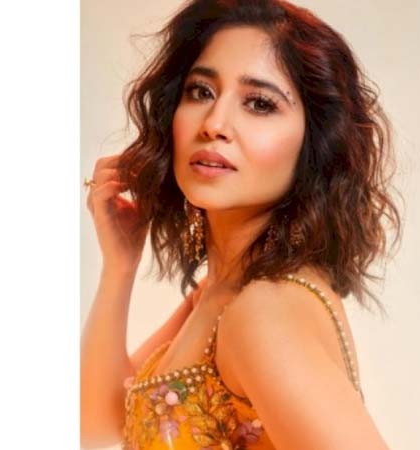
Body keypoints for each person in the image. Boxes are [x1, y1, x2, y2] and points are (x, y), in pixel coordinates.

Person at [81, 0, 400, 449]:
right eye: (200, 92)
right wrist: (119, 267)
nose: (214, 124)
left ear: (315, 142)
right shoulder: (217, 292)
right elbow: (96, 427)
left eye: (259, 103)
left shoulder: (264, 311)